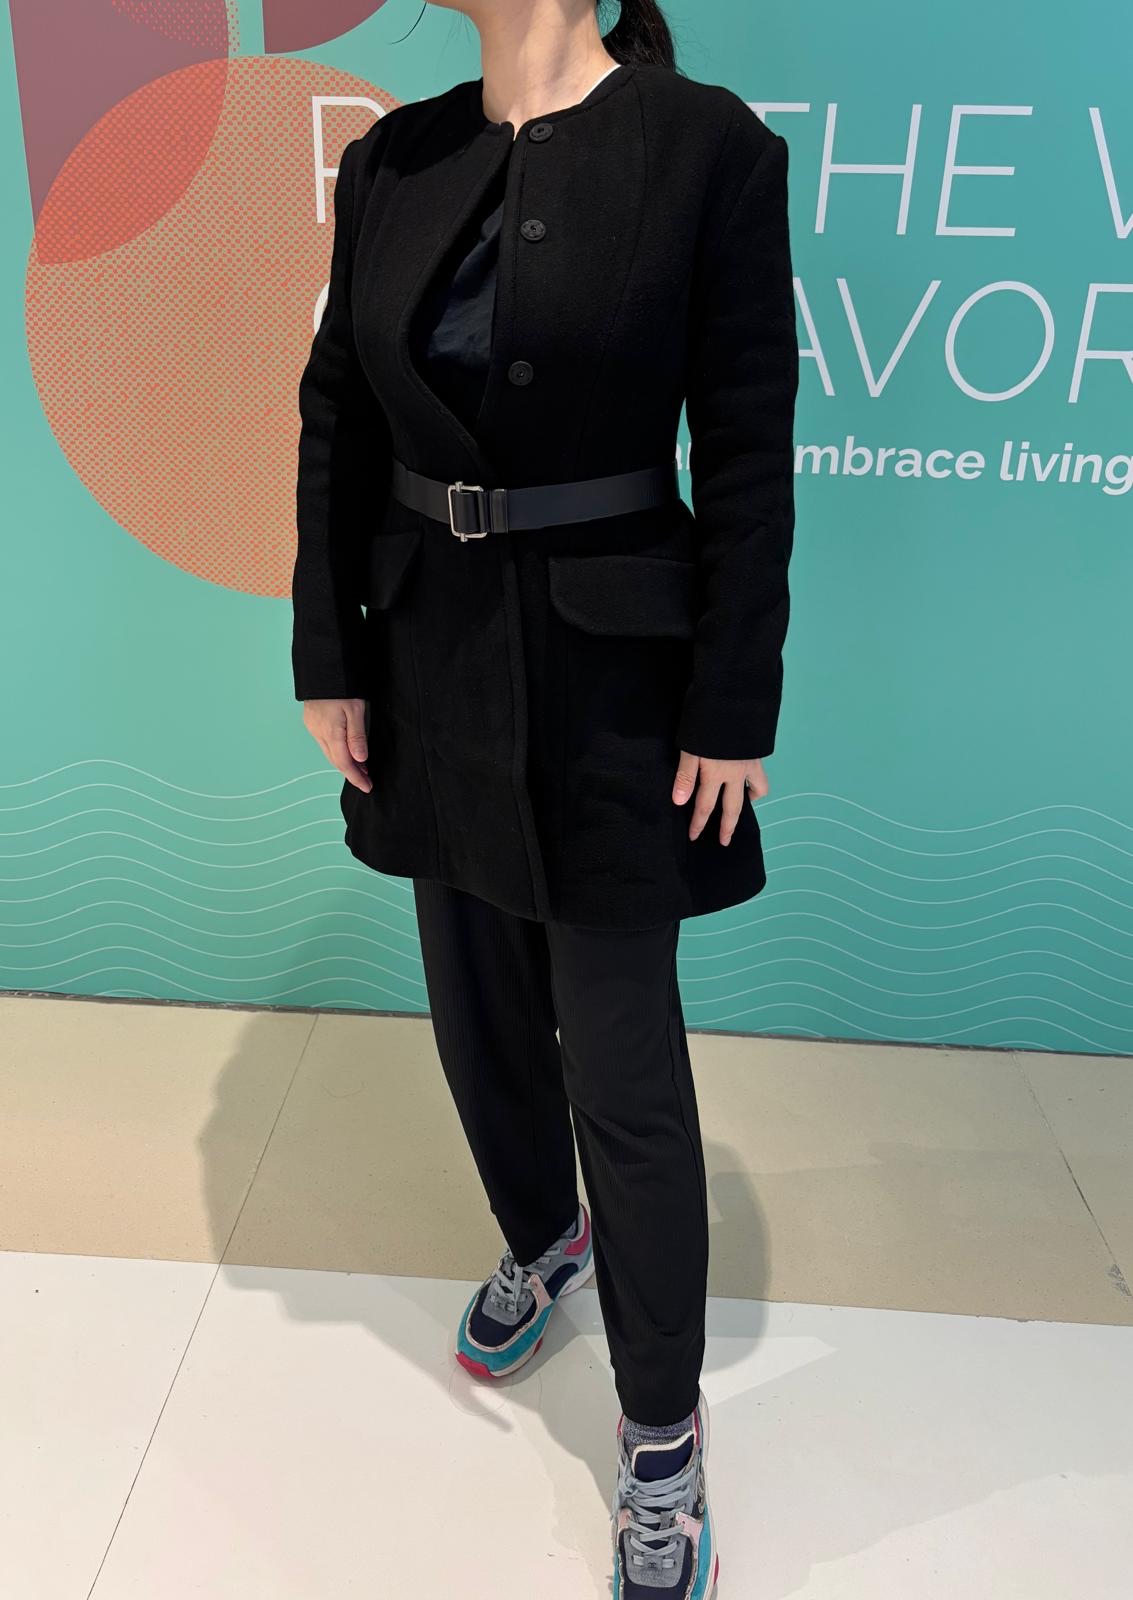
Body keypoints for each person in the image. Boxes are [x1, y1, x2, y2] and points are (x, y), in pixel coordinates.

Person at [290, 1, 799, 1592]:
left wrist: (731, 699)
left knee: (621, 1059)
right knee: (476, 1010)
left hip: (614, 683)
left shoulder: (706, 146)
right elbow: (336, 411)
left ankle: (659, 1431)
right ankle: (540, 1236)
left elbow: (749, 444)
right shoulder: (396, 155)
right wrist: (328, 650)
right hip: (427, 655)